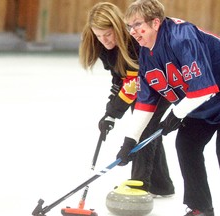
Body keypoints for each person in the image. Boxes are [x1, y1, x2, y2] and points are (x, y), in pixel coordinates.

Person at [116, 0, 220, 215]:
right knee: (187, 144)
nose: (132, 32)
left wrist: (176, 114)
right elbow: (145, 102)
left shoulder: (182, 37)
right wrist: (130, 140)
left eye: (137, 25)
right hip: (202, 101)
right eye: (129, 27)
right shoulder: (146, 53)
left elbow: (203, 88)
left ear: (155, 23)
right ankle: (201, 208)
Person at [79, 2, 175, 197]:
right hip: (142, 88)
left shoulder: (133, 42)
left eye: (107, 34)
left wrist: (113, 113)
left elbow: (131, 86)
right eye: (98, 35)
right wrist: (109, 114)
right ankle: (162, 185)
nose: (103, 40)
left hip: (161, 85)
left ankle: (139, 183)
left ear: (117, 28)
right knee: (149, 131)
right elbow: (119, 79)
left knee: (142, 129)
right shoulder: (105, 47)